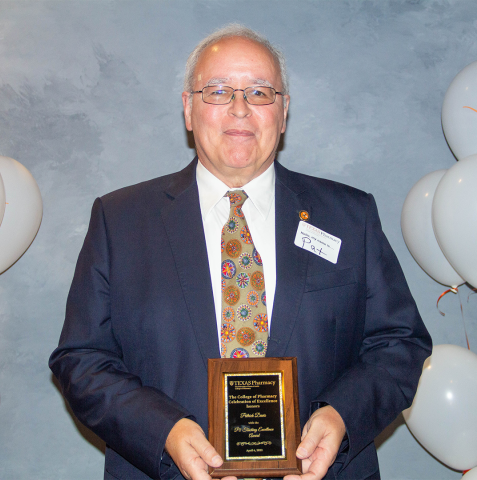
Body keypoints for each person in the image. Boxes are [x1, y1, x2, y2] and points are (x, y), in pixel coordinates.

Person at [49, 24, 432, 480]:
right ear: (189, 110)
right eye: (217, 91)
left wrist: (341, 416)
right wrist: (164, 430)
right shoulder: (121, 221)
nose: (240, 108)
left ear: (283, 112)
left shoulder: (349, 217)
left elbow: (400, 344)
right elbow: (81, 360)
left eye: (260, 92)